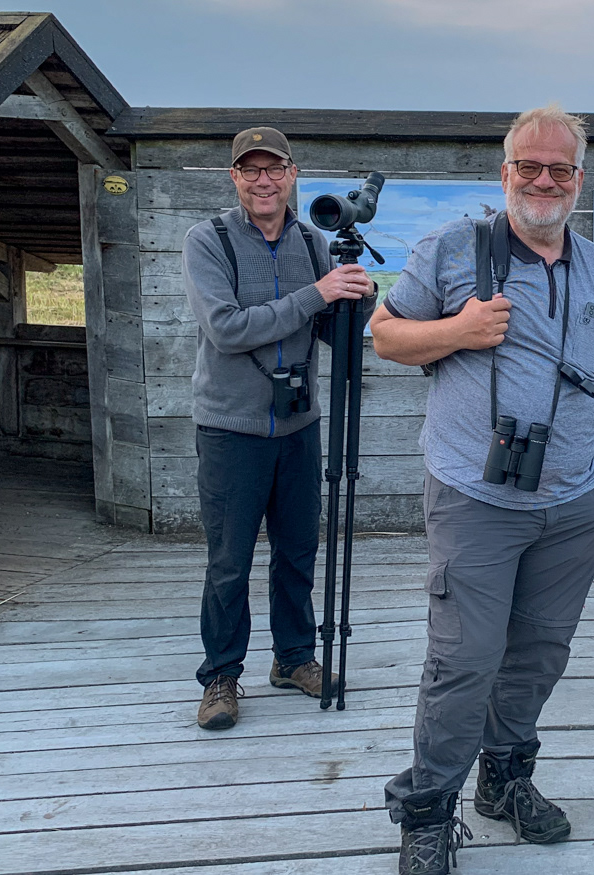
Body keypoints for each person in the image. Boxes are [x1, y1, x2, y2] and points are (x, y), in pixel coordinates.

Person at [370, 105, 594, 874]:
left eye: (560, 168)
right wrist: (457, 329)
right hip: (475, 498)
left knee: (538, 654)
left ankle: (505, 776)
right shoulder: (454, 249)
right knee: (463, 658)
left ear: (580, 180)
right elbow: (386, 334)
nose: (544, 179)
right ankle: (427, 809)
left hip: (572, 504)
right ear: (506, 172)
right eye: (529, 165)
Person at [182, 126, 375, 731]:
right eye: (251, 170)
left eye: (275, 169)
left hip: (297, 423)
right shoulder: (207, 239)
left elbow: (329, 333)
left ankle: (293, 659)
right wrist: (317, 293)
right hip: (229, 427)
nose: (264, 180)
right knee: (229, 561)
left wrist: (356, 299)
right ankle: (220, 675)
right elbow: (227, 329)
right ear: (234, 178)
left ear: (293, 173)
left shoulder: (316, 243)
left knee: (297, 551)